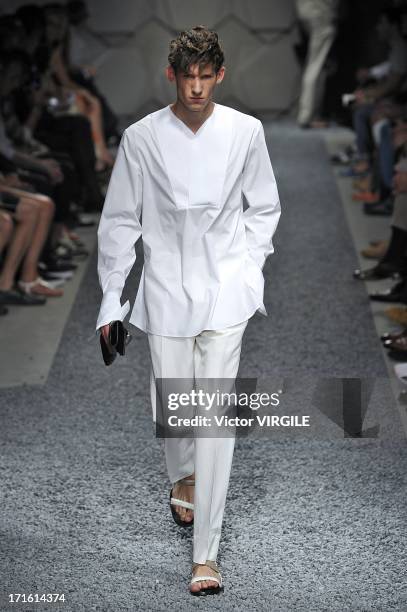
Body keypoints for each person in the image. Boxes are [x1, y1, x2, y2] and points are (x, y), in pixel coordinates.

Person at [95, 25, 281, 595]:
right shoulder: (142, 138)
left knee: (215, 420)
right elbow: (121, 221)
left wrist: (249, 271)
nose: (197, 87)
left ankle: (207, 555)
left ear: (219, 75)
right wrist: (111, 299)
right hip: (167, 289)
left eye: (206, 76)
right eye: (188, 76)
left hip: (226, 290)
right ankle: (181, 475)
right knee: (175, 398)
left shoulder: (246, 131)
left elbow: (265, 205)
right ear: (171, 75)